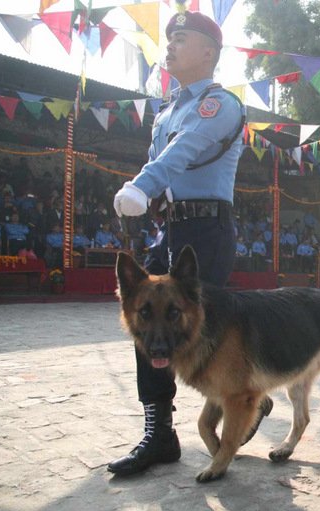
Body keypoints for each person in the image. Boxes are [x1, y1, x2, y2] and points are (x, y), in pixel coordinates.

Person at [109, 10, 270, 477]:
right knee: (148, 324)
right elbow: (161, 161)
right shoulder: (165, 112)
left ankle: (248, 395)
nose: (171, 45)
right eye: (170, 38)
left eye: (181, 38)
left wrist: (141, 186)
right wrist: (145, 194)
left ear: (208, 52)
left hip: (206, 232)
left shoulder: (219, 105)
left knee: (210, 336)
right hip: (170, 229)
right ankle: (159, 432)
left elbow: (182, 153)